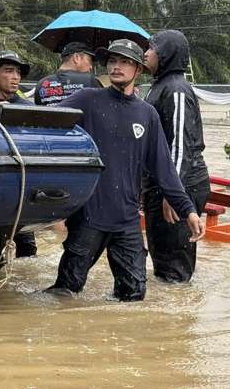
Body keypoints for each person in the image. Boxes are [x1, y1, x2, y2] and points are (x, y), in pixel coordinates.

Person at [48, 38, 205, 301]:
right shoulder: (87, 99)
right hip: (89, 218)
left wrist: (188, 210)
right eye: (112, 61)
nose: (116, 67)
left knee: (133, 297)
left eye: (124, 62)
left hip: (127, 222)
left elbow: (164, 169)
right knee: (65, 291)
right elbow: (48, 122)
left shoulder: (147, 114)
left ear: (138, 70)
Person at [143, 29, 211, 283]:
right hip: (163, 184)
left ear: (166, 53)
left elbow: (181, 144)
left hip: (181, 185)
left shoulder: (176, 89)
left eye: (151, 48)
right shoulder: (159, 86)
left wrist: (174, 193)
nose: (146, 53)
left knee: (174, 268)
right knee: (162, 257)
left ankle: (179, 319)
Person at [0, 50, 38, 257]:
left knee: (28, 250)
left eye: (18, 72)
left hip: (21, 184)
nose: (15, 77)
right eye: (8, 71)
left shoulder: (27, 108)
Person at [34, 42, 104, 105]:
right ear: (76, 57)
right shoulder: (89, 80)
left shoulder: (41, 84)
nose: (91, 67)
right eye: (90, 61)